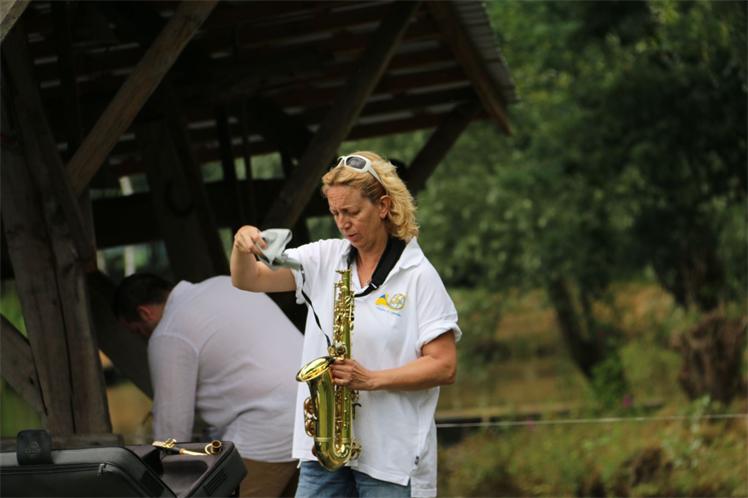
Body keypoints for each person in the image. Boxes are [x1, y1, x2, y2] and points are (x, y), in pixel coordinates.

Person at [231, 151, 461, 498]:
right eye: (335, 213)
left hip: (390, 458)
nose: (343, 223)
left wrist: (371, 379)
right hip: (324, 448)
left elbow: (444, 366)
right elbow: (248, 280)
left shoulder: (419, 275)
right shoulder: (325, 257)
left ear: (383, 206)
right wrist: (242, 243)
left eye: (352, 212)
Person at [113, 273, 302, 498]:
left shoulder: (170, 331)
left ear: (145, 313)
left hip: (268, 427)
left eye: (138, 331)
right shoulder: (225, 283)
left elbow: (171, 432)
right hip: (316, 411)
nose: (143, 337)